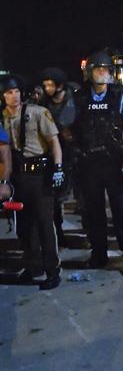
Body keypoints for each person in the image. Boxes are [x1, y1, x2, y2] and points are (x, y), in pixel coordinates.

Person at [72, 50, 123, 275]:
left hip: (115, 162)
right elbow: (65, 123)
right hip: (89, 163)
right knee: (93, 212)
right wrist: (72, 143)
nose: (104, 73)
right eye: (99, 69)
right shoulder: (79, 98)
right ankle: (99, 254)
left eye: (107, 69)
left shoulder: (121, 96)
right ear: (89, 72)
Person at [1, 74, 63, 289]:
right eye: (9, 92)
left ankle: (52, 271)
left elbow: (54, 141)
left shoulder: (37, 112)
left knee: (45, 225)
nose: (14, 96)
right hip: (19, 176)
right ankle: (32, 266)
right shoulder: (3, 118)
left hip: (39, 174)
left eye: (17, 91)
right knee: (24, 227)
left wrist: (58, 168)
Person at [39, 67, 77, 242]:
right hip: (54, 152)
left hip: (76, 152)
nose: (48, 88)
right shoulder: (43, 103)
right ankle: (58, 232)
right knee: (54, 197)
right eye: (45, 85)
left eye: (51, 85)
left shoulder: (75, 100)